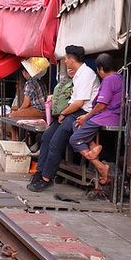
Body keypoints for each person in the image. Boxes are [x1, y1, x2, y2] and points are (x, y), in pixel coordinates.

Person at [28, 45, 100, 192]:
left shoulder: (87, 74)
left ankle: (47, 178)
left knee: (56, 142)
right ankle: (40, 171)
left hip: (81, 113)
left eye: (66, 58)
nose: (65, 61)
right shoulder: (79, 74)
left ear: (72, 59)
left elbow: (80, 102)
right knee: (47, 136)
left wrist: (63, 113)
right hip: (72, 111)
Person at [69, 53, 123, 185]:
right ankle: (93, 145)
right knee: (76, 125)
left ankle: (100, 166)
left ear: (100, 69)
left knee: (75, 139)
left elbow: (101, 105)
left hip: (107, 117)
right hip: (110, 116)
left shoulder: (109, 80)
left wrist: (86, 116)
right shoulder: (120, 77)